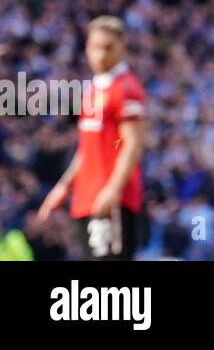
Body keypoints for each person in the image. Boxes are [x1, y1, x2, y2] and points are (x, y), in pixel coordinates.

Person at [36, 15, 148, 260]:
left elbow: (133, 145)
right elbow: (86, 151)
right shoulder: (93, 90)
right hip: (85, 199)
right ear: (87, 47)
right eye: (96, 47)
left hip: (111, 201)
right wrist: (64, 187)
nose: (101, 55)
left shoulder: (127, 89)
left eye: (109, 48)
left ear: (122, 48)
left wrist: (112, 190)